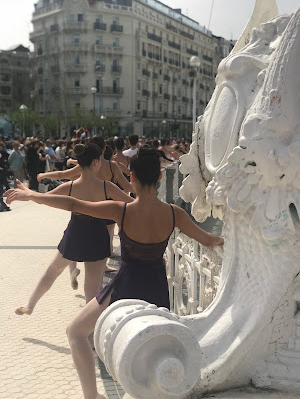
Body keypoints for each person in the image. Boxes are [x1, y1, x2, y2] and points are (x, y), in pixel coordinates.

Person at [5, 147, 224, 399]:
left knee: (75, 332)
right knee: (152, 352)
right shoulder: (175, 213)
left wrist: (33, 195)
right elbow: (209, 239)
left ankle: (92, 396)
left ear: (131, 178)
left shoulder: (121, 210)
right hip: (157, 292)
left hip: (124, 289)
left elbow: (73, 203)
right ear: (160, 177)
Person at [11, 143, 133, 317]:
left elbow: (43, 199)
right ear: (97, 162)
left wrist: (28, 192)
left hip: (75, 232)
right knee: (92, 289)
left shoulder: (70, 186)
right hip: (97, 236)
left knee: (52, 271)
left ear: (79, 163)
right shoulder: (107, 186)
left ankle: (30, 305)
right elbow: (131, 205)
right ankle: (89, 335)